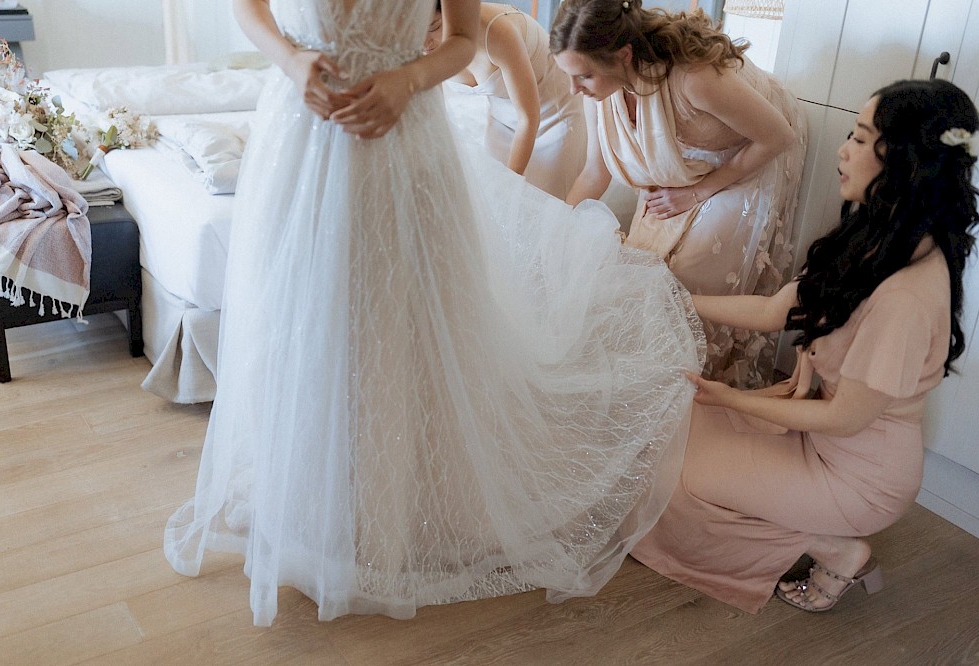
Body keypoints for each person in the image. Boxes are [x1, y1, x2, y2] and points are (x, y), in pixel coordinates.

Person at [164, 0, 705, 626]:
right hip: (304, 133)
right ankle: (312, 497)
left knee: (405, 321)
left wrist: (408, 77)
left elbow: (461, 39)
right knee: (310, 320)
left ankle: (398, 506)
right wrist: (289, 59)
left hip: (405, 133)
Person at [629, 78, 978, 613]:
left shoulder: (907, 295)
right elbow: (774, 312)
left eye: (861, 140)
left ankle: (836, 549)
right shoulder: (877, 237)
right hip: (819, 433)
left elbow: (845, 418)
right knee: (666, 440)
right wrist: (673, 294)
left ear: (904, 160)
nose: (843, 150)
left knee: (677, 486)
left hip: (860, 475)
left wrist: (733, 398)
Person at [550, 0, 807, 388]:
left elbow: (778, 136)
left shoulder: (694, 77)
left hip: (750, 153)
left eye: (583, 76)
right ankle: (649, 381)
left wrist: (697, 192)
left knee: (687, 276)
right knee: (641, 268)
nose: (573, 88)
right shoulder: (599, 93)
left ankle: (697, 386)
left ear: (623, 55)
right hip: (678, 161)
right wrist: (554, 228)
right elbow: (594, 172)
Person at [425, 2, 587, 199]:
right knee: (492, 198)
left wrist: (511, 186)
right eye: (417, 30)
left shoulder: (497, 31)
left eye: (434, 27)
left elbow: (528, 118)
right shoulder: (419, 43)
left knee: (544, 202)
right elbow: (436, 115)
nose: (425, 42)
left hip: (551, 112)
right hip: (501, 116)